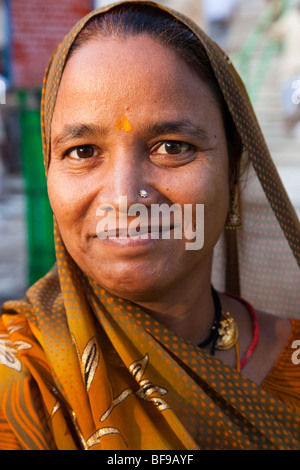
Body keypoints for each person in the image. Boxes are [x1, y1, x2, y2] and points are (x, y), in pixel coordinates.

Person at [0, 1, 300, 450]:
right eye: (82, 151)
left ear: (234, 171)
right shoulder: (22, 375)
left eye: (172, 147)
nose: (124, 197)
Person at [269, 0, 300, 135]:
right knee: (292, 105)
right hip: (292, 69)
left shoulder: (290, 19)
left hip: (291, 69)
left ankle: (291, 122)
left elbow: (274, 33)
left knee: (291, 106)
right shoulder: (291, 19)